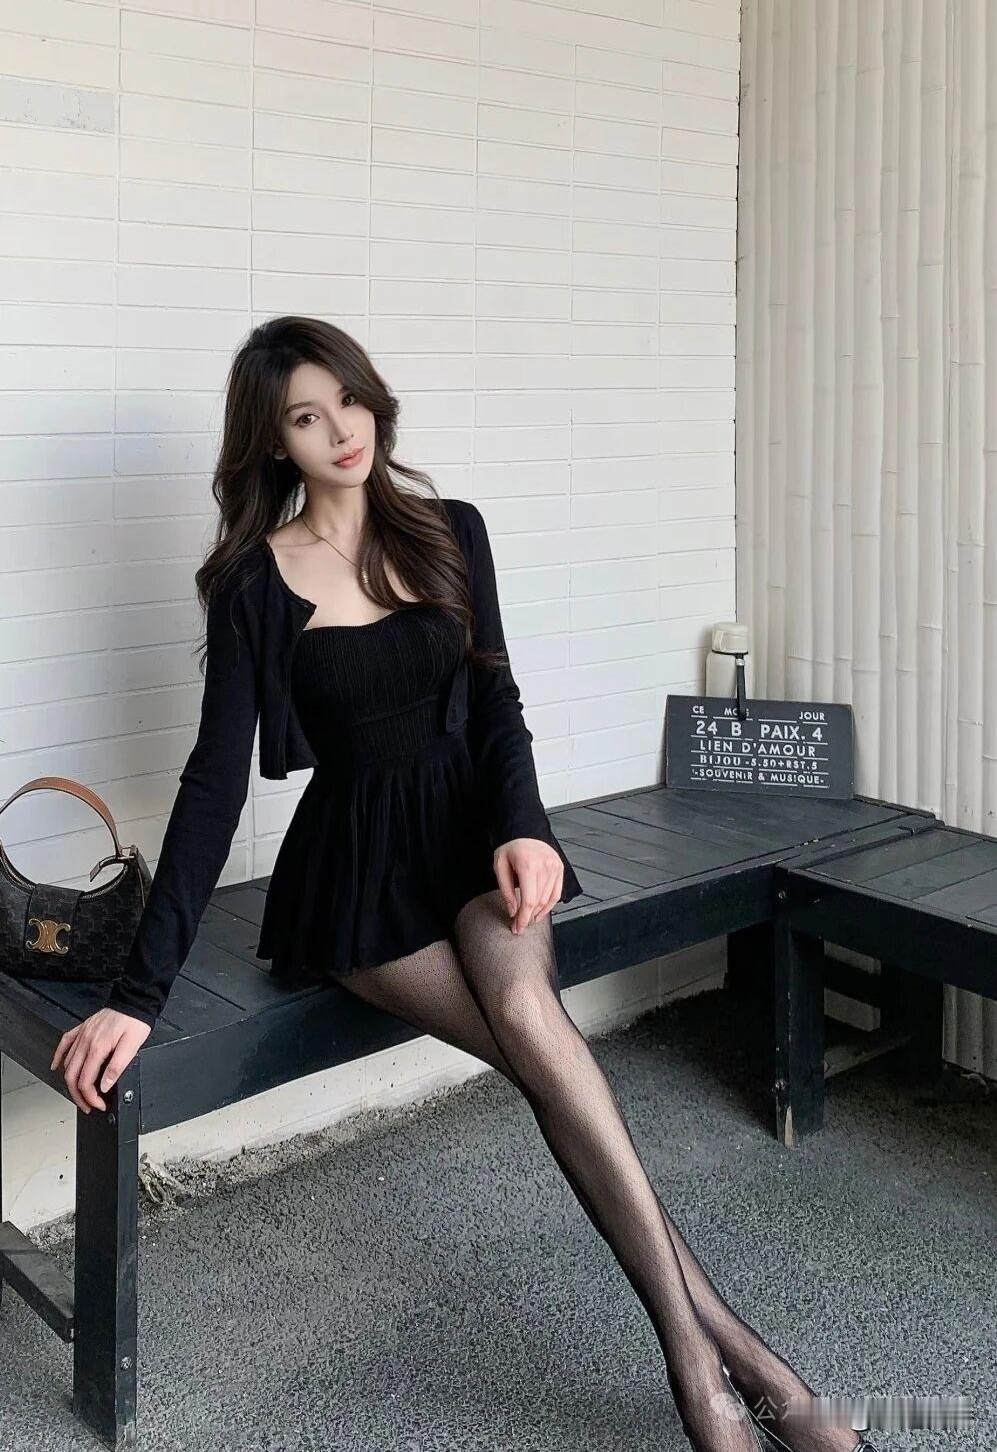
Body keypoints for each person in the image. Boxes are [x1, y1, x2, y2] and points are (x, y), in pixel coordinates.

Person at [51, 316, 876, 1452]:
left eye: (349, 399)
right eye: (307, 416)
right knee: (549, 1055)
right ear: (276, 442)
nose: (342, 429)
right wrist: (138, 996)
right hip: (356, 874)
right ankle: (740, 1370)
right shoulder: (253, 581)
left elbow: (495, 699)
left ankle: (711, 1372)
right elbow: (211, 784)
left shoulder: (452, 530)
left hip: (476, 842)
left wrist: (527, 829)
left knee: (532, 1018)